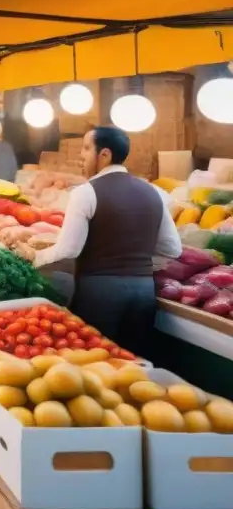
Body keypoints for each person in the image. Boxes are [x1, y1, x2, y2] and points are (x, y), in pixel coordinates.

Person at [33, 127, 180, 358]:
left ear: (105, 155)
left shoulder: (85, 193)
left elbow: (69, 249)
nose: (81, 155)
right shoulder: (155, 192)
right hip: (143, 292)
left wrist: (35, 258)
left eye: (86, 148)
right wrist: (136, 258)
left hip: (99, 293)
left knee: (96, 362)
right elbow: (173, 248)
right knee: (134, 365)